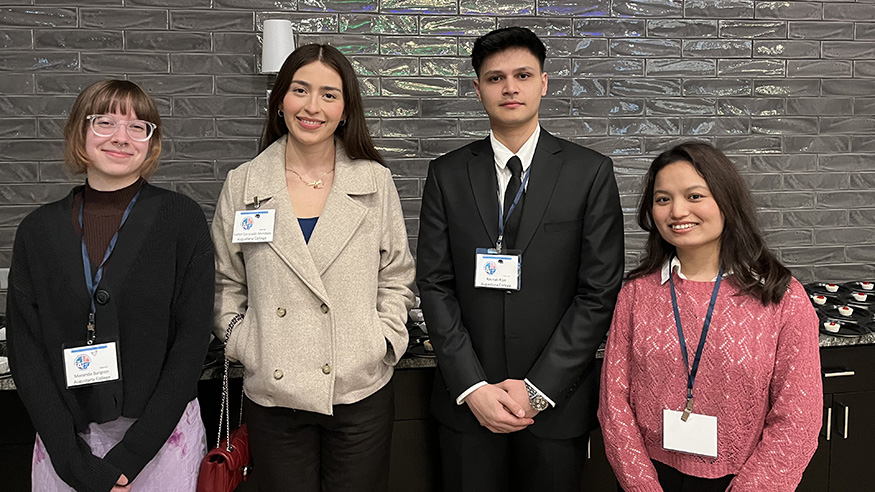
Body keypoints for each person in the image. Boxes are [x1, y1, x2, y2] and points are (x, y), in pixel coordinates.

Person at [416, 27, 625, 492]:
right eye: (495, 78)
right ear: (478, 89)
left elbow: (598, 292)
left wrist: (538, 390)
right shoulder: (447, 174)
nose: (510, 87)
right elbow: (434, 284)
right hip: (468, 405)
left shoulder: (589, 172)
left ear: (543, 83)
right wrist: (472, 386)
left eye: (522, 75)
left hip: (555, 405)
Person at [212, 43, 415, 492]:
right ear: (280, 99)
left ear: (345, 110)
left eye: (329, 94)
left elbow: (396, 275)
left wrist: (381, 340)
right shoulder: (244, 183)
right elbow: (227, 281)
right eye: (300, 90)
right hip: (274, 391)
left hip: (359, 388)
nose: (312, 107)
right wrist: (244, 343)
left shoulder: (374, 181)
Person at [5, 79, 215, 492]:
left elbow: (191, 344)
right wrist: (73, 463)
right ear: (80, 134)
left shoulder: (181, 220)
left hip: (160, 441)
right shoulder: (38, 230)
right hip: (66, 445)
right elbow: (24, 350)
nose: (122, 137)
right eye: (105, 122)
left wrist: (129, 458)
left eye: (139, 127)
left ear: (151, 144)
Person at [598, 142, 822, 491]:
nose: (677, 211)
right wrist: (642, 486)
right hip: (650, 475)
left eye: (695, 196)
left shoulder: (782, 298)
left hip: (745, 479)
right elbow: (614, 404)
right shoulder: (637, 294)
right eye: (663, 199)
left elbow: (798, 419)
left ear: (726, 201)